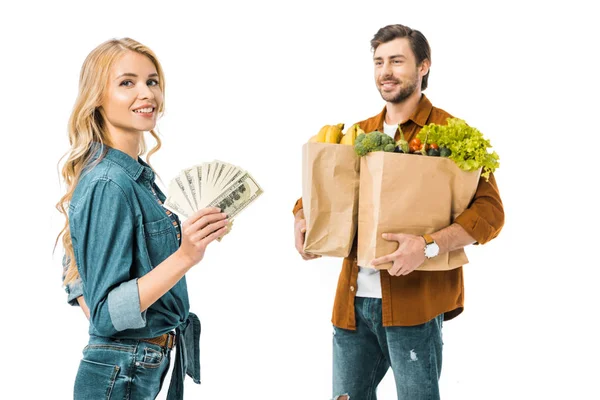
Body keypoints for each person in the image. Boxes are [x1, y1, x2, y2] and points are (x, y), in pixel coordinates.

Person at [293, 24, 504, 400]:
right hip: (352, 304)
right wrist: (302, 219)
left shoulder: (448, 131)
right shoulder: (359, 132)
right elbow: (321, 191)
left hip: (415, 306)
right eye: (378, 62)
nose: (385, 71)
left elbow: (489, 213)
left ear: (423, 66)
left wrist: (428, 246)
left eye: (396, 61)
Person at [56, 37, 229, 399]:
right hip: (122, 372)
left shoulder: (135, 178)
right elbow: (104, 316)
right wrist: (186, 255)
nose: (146, 93)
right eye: (126, 82)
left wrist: (195, 236)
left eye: (152, 81)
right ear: (97, 98)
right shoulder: (110, 182)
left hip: (133, 366)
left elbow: (77, 268)